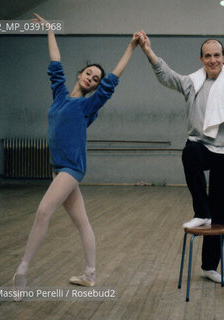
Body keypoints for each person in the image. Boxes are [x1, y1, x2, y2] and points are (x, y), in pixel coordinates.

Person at [13, 13, 140, 294]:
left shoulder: (87, 106)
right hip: (58, 168)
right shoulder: (59, 95)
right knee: (82, 222)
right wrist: (49, 30)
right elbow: (55, 62)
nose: (92, 79)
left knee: (43, 211)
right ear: (80, 74)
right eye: (89, 74)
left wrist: (131, 48)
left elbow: (112, 81)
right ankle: (90, 274)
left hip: (72, 168)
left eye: (96, 79)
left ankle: (22, 268)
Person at [137, 22, 224, 283]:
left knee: (221, 212)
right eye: (207, 55)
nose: (212, 60)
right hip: (202, 145)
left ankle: (209, 266)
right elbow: (166, 75)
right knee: (190, 151)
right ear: (201, 58)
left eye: (217, 55)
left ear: (223, 57)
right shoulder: (192, 83)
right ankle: (201, 212)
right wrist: (148, 51)